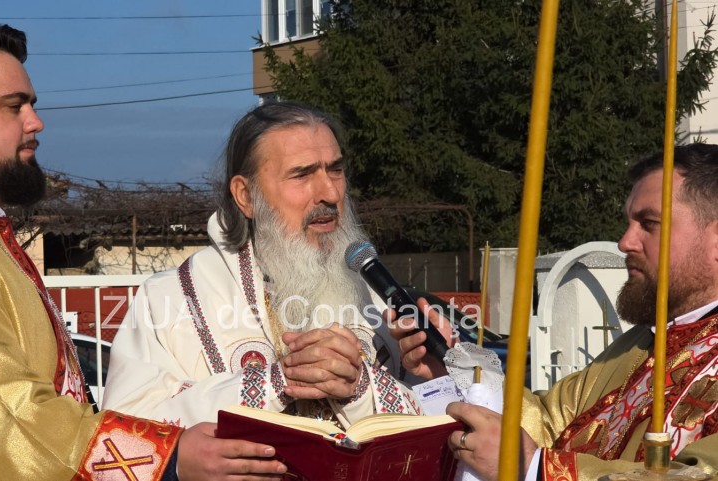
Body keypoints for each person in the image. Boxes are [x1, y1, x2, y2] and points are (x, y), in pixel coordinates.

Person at [0, 24, 287, 480]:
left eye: (32, 105)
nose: (35, 122)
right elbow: (3, 426)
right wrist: (169, 459)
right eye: (14, 106)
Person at [390, 143, 718, 480]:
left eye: (649, 223)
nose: (625, 242)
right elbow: (546, 423)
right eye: (629, 222)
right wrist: (451, 367)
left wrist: (534, 468)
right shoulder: (639, 344)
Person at [104, 101, 423, 429]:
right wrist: (276, 383)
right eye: (302, 174)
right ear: (246, 195)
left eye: (336, 170)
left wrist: (361, 388)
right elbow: (124, 430)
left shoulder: (379, 297)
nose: (329, 192)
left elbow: (441, 422)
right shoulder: (168, 299)